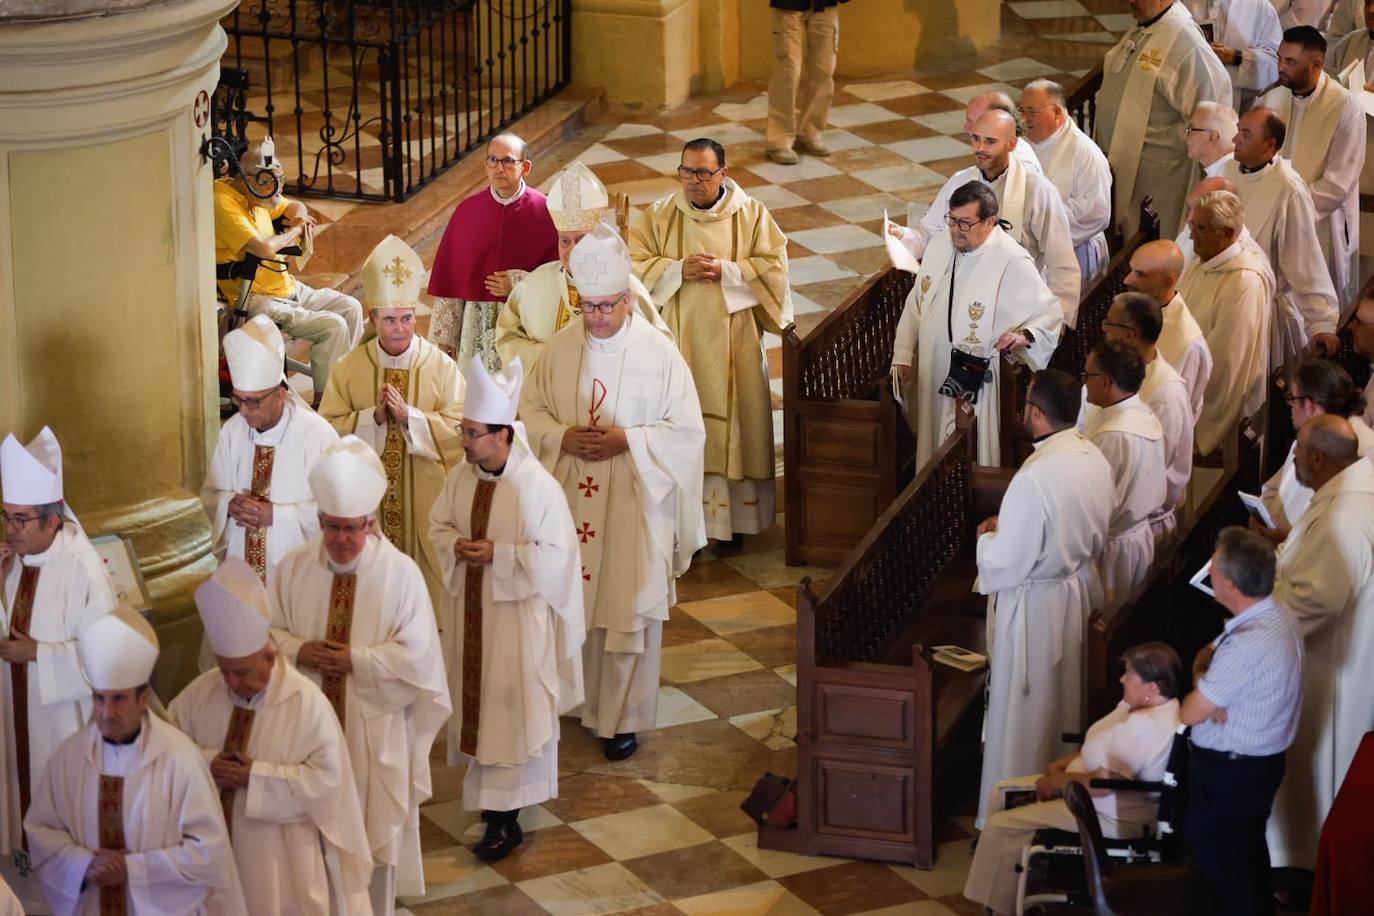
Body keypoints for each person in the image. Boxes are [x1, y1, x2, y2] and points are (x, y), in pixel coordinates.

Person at [522, 224, 706, 761]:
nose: (597, 318)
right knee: (571, 605)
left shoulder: (660, 354)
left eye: (607, 307)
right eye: (589, 307)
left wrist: (630, 440)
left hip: (632, 501)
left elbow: (688, 432)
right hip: (570, 501)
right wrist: (560, 437)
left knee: (625, 609)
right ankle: (575, 703)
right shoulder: (558, 349)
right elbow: (530, 412)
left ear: (627, 299)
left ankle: (621, 717)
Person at [269, 437, 451, 915]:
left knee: (372, 833)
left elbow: (419, 658)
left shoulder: (401, 575)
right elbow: (266, 637)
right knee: (309, 833)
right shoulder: (291, 570)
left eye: (352, 528)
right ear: (320, 521)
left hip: (374, 729)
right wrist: (302, 650)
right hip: (306, 731)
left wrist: (356, 661)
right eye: (332, 527)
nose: (341, 540)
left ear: (370, 524)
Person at [429, 357, 585, 862]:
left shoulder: (536, 487)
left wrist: (500, 555)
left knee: (510, 716)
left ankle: (505, 821)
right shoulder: (460, 477)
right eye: (463, 431)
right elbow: (438, 527)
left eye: (472, 433)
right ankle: (495, 812)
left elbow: (558, 558)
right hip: (474, 614)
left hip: (517, 623)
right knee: (483, 713)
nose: (463, 442)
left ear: (501, 435)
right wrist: (456, 546)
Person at [169, 559, 372, 915]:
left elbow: (329, 784)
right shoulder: (200, 694)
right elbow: (167, 754)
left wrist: (255, 777)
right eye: (226, 670)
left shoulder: (306, 704)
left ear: (269, 655)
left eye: (243, 672)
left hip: (281, 859)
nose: (232, 682)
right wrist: (207, 764)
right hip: (212, 856)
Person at [25, 606, 248, 915]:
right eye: (99, 699)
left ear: (143, 700)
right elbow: (41, 831)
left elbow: (208, 852)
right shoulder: (68, 759)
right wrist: (84, 865)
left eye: (118, 700)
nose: (106, 713)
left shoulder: (180, 759)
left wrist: (134, 869)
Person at [629, 139, 789, 543]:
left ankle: (735, 524)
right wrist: (676, 269)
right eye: (686, 171)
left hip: (735, 343)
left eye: (703, 173)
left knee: (735, 426)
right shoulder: (661, 215)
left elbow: (775, 270)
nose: (694, 181)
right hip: (677, 344)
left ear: (723, 173)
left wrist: (729, 272)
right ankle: (683, 526)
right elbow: (632, 265)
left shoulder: (751, 215)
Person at [973, 368, 1114, 826]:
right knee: (1061, 704)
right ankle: (1060, 807)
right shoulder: (1091, 455)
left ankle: (1011, 814)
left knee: (1025, 719)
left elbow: (1007, 561)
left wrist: (988, 538)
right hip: (1072, 595)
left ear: (1035, 414)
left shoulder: (1035, 476)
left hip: (1034, 609)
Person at [964, 642, 1184, 915]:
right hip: (1090, 792)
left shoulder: (1147, 726)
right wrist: (1066, 762)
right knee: (1001, 789)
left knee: (1001, 824)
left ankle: (1000, 906)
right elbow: (1102, 742)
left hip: (1111, 813)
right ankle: (1012, 881)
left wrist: (1059, 783)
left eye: (1129, 674)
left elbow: (1105, 785)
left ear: (1153, 687)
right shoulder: (1146, 706)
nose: (1121, 679)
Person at [318, 234, 466, 610]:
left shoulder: (440, 367)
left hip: (427, 502)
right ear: (373, 318)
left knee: (428, 599)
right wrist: (373, 419)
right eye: (390, 320)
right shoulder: (350, 369)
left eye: (406, 318)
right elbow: (325, 433)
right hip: (370, 502)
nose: (400, 328)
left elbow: (464, 429)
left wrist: (411, 418)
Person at [0, 428, 115, 908]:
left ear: (53, 518)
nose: (11, 530)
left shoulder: (82, 568)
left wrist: (40, 655)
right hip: (12, 715)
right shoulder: (11, 561)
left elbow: (108, 660)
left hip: (60, 723)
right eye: (6, 517)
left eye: (21, 520)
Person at [891, 182, 1063, 469]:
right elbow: (915, 305)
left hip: (975, 378)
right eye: (952, 220)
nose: (956, 230)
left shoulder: (1011, 259)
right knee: (931, 452)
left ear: (990, 222)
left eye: (965, 223)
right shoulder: (938, 246)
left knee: (969, 454)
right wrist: (903, 355)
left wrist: (1023, 336)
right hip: (933, 369)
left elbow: (1050, 313)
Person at [1267, 415, 1374, 872]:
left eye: (1297, 449)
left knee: (1317, 763)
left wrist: (1257, 615)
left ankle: (1305, 866)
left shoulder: (1345, 512)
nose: (1291, 457)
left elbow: (1317, 597)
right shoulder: (1348, 494)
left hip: (1326, 661)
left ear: (1318, 458)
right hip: (1337, 654)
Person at [1180, 526, 1302, 915]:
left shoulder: (1249, 643)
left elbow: (1188, 712)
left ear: (1230, 584)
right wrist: (1206, 680)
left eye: (1213, 569)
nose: (1208, 574)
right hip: (1254, 770)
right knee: (1246, 863)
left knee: (1229, 877)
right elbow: (1205, 653)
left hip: (1230, 776)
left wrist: (1203, 691)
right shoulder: (1274, 613)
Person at [894, 110, 1081, 325]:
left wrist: (1058, 323)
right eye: (976, 139)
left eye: (990, 142)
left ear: (1012, 144)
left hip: (1017, 308)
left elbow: (1061, 261)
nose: (980, 148)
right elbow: (931, 232)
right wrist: (904, 236)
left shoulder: (1037, 190)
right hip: (962, 303)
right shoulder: (960, 181)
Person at [212, 139, 363, 403]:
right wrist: (294, 232)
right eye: (272, 184)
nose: (277, 191)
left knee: (350, 307)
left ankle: (340, 390)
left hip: (287, 286)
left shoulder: (260, 189)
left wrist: (297, 216)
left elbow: (294, 205)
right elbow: (263, 249)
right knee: (333, 327)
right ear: (248, 179)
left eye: (280, 182)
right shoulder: (223, 201)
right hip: (255, 298)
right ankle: (326, 405)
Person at [202, 316, 338, 586]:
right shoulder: (233, 431)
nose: (243, 411)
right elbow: (212, 493)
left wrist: (275, 516)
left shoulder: (317, 436)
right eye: (238, 399)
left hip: (297, 579)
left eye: (253, 402)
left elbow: (339, 513)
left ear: (280, 394)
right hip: (241, 569)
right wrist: (229, 505)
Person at [494, 161, 669, 369]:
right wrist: (547, 356)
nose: (573, 251)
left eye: (582, 240)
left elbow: (661, 352)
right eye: (565, 241)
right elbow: (506, 338)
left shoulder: (625, 288)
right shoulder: (535, 283)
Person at [1096, 0, 1231, 240]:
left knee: (1150, 242)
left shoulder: (1187, 44)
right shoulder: (1146, 26)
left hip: (1159, 173)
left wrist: (1162, 137)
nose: (1131, 2)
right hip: (1124, 162)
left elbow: (1214, 115)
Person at [425, 133, 559, 368]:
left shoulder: (546, 211)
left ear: (525, 167)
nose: (499, 168)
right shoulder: (467, 211)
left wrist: (519, 282)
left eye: (508, 161)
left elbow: (560, 275)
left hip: (525, 321)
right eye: (492, 161)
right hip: (474, 323)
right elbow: (453, 275)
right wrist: (445, 337)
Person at [1223, 107, 1340, 364]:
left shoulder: (1288, 189)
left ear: (1269, 146)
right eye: (1237, 131)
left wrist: (1321, 321)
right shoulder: (1226, 171)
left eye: (1245, 134)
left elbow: (1304, 259)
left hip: (1261, 309)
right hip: (1221, 303)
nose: (1235, 140)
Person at [1257, 27, 1365, 306]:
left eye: (1291, 62)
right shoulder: (1271, 100)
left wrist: (1290, 212)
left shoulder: (1345, 107)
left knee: (1319, 308)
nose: (1280, 67)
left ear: (1316, 65)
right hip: (1273, 219)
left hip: (1321, 224)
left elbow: (1338, 183)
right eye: (1280, 58)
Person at [1177, 189, 1275, 455]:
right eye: (1192, 226)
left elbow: (1227, 362)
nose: (1191, 235)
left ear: (1227, 234)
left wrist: (1196, 421)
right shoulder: (1202, 262)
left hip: (1215, 409)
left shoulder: (1244, 282)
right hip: (1183, 386)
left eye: (1201, 228)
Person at [1102, 293, 1195, 544]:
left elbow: (1155, 473)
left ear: (1130, 334)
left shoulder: (1165, 393)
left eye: (1108, 324)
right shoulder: (1108, 371)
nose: (1104, 332)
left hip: (1139, 528)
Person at [1082, 341, 1167, 614]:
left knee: (1105, 630)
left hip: (1113, 552)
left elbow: (1093, 501)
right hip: (1136, 539)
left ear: (1105, 382)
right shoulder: (1142, 414)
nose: (1084, 381)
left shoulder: (1114, 434)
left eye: (1087, 376)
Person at [1255, 359, 1373, 538]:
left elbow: (1337, 530)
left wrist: (1287, 540)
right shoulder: (1310, 435)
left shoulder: (1361, 453)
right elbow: (1271, 490)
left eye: (1292, 398)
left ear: (1310, 405)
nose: (1290, 406)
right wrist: (1260, 519)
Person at [1019, 80, 1112, 280]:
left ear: (1057, 113)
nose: (1024, 119)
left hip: (1076, 253)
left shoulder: (1085, 153)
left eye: (1032, 112)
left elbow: (1097, 212)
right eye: (1022, 111)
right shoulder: (1021, 145)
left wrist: (1040, 219)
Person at [1123, 238, 1214, 420]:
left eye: (1140, 274)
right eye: (1131, 270)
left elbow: (1176, 412)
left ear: (1167, 282)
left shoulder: (1187, 344)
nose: (1127, 279)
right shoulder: (1137, 309)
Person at [1325, 0, 1374, 282]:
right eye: (1368, 3)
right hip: (1349, 168)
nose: (1372, 11)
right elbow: (1326, 89)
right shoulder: (1349, 44)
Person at [765, 0, 845, 165]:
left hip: (825, 5)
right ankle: (779, 140)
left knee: (824, 71)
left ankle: (810, 132)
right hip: (789, 7)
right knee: (788, 73)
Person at [1201, 0, 1283, 110]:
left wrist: (1238, 57)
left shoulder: (1259, 7)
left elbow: (1276, 62)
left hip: (1236, 106)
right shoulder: (1183, 3)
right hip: (1191, 96)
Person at [1184, 101, 1240, 187]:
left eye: (1191, 129)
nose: (1186, 136)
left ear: (1211, 137)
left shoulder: (1223, 183)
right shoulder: (1230, 171)